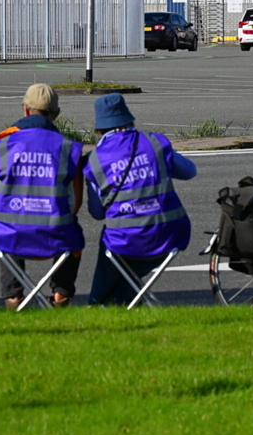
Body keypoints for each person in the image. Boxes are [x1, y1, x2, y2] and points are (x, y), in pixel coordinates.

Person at [83, 93, 195, 305]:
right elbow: (189, 172)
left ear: (100, 128)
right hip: (171, 235)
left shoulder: (95, 160)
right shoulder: (155, 143)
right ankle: (123, 298)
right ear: (129, 119)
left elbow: (97, 214)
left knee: (111, 243)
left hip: (125, 242)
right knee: (127, 265)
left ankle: (97, 301)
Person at [0, 83, 85, 309]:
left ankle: (13, 295)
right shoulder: (69, 148)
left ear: (25, 110)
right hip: (55, 233)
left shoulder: (2, 145)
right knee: (73, 234)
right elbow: (75, 204)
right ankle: (61, 294)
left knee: (6, 225)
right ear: (56, 114)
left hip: (12, 234)